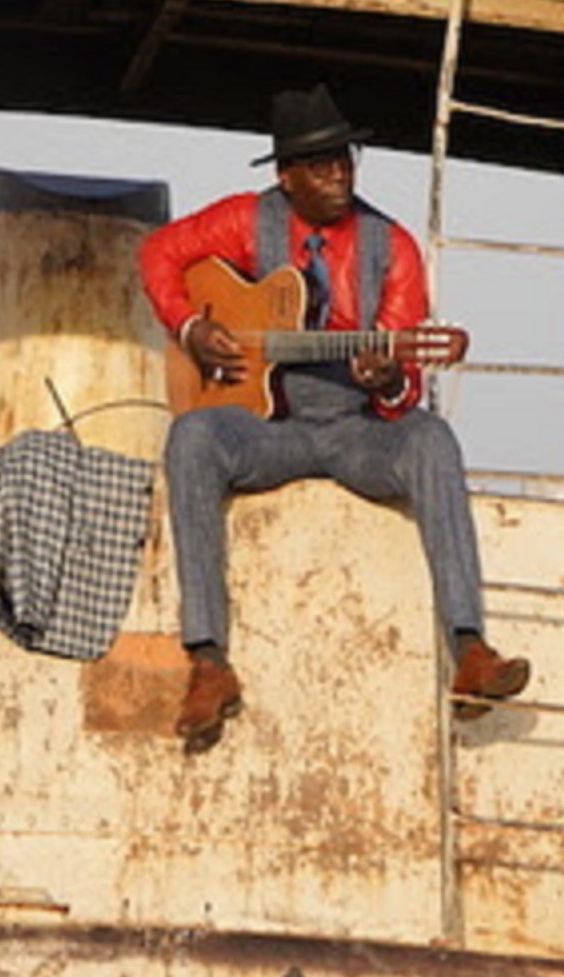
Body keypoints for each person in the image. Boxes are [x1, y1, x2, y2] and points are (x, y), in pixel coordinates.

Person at [139, 84, 531, 750]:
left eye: (344, 159)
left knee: (433, 439)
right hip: (269, 429)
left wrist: (391, 378)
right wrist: (190, 329)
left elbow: (403, 386)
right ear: (286, 176)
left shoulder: (392, 247)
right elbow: (158, 254)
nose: (339, 174)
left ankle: (469, 650)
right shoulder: (246, 221)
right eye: (319, 165)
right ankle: (208, 662)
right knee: (192, 436)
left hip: (354, 430)